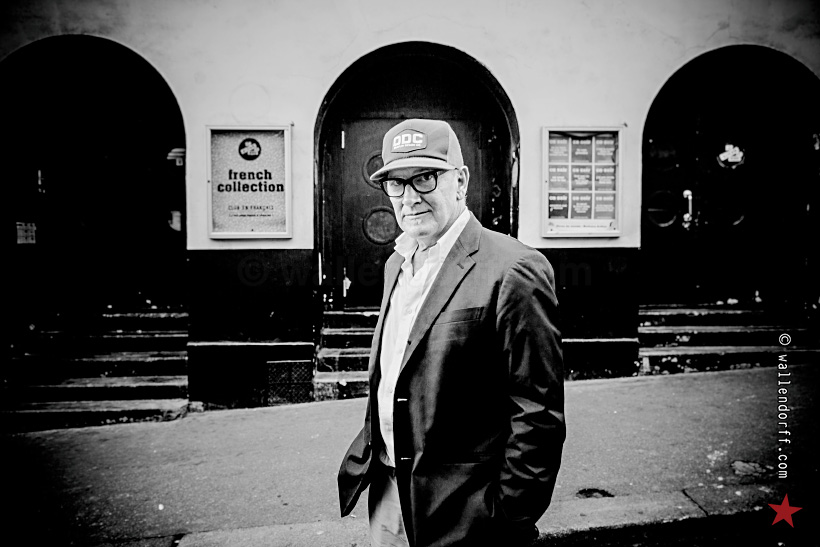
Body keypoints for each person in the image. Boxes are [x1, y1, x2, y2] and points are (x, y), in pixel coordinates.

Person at [338, 118, 565, 547]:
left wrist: (508, 518)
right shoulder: (397, 264)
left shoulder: (514, 269)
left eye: (424, 177)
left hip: (468, 513)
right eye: (396, 183)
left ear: (460, 181)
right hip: (389, 495)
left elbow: (537, 413)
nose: (409, 197)